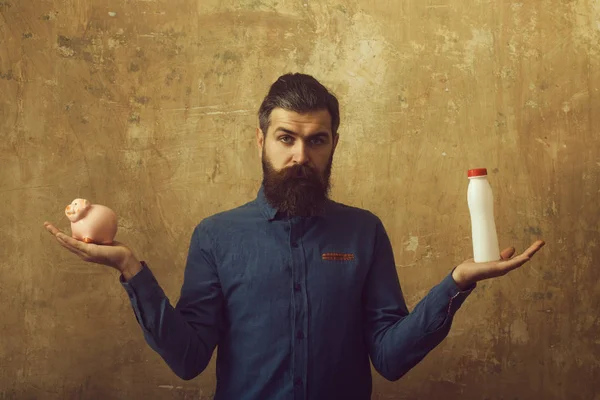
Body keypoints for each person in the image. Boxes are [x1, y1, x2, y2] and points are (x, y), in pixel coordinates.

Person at [44, 73, 545, 400]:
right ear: (261, 141)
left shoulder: (363, 231)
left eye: (316, 140)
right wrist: (130, 268)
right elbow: (189, 358)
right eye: (286, 138)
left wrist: (458, 281)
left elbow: (390, 359)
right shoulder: (217, 236)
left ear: (333, 145)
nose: (300, 156)